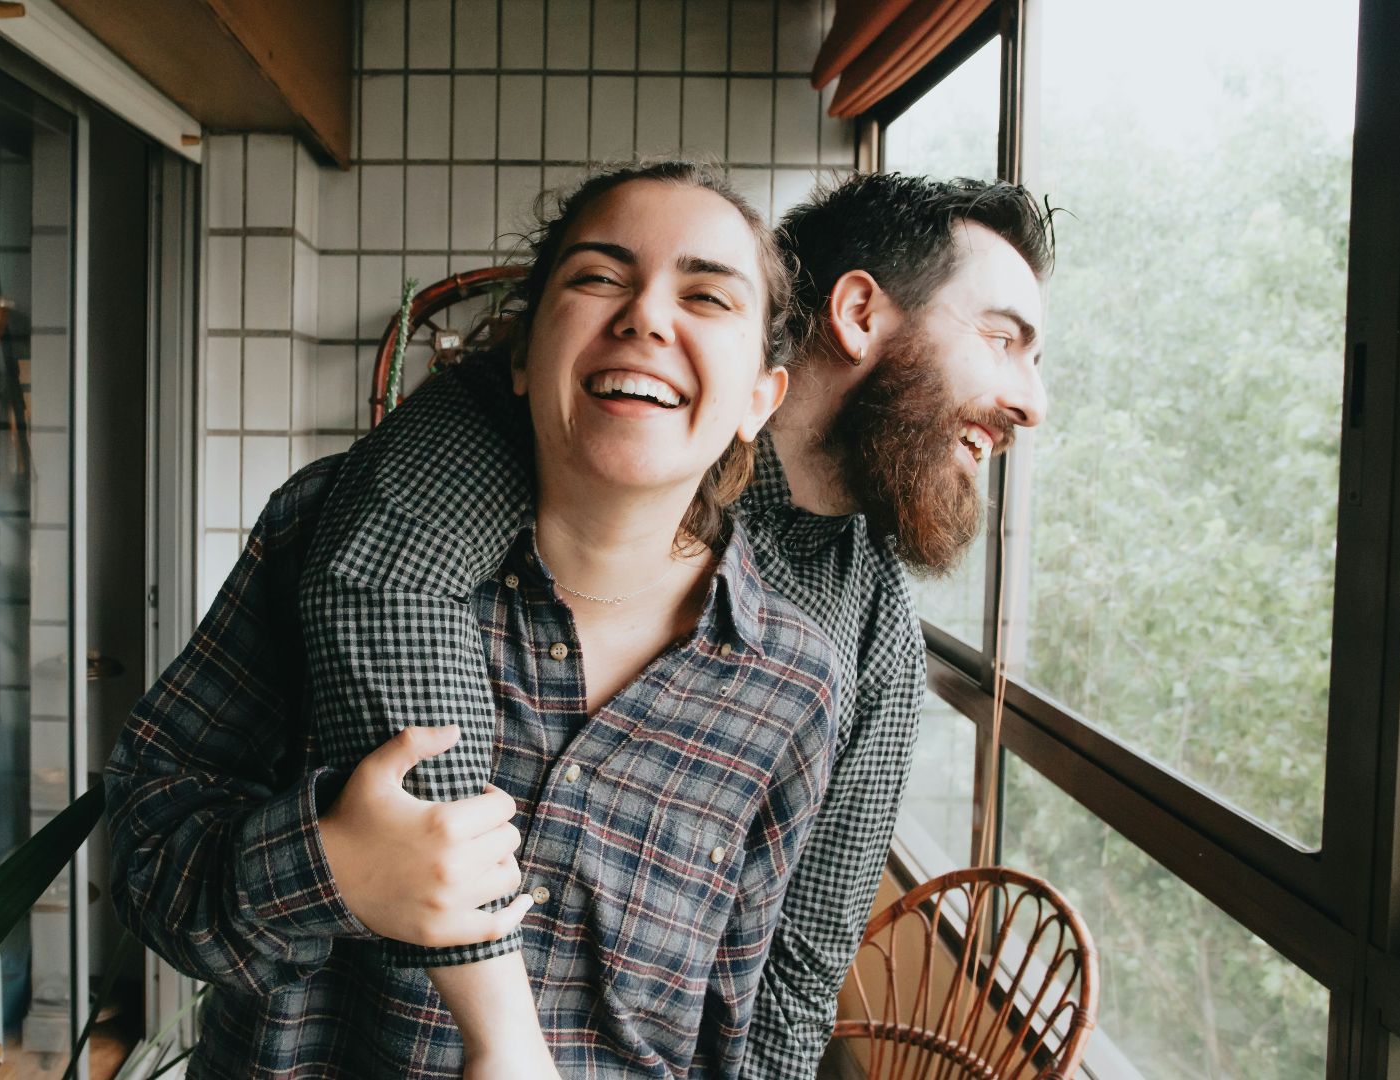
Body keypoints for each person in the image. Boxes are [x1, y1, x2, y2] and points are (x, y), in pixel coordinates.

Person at [268, 169, 1055, 1077]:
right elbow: (383, 586)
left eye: (708, 296)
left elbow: (794, 981)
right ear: (860, 314)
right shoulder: (499, 447)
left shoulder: (869, 635)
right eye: (1003, 341)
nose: (1032, 403)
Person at [107, 161, 851, 1077]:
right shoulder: (325, 536)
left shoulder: (792, 683)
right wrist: (327, 867)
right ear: (524, 357)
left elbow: (734, 1022)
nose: (647, 317)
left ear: (758, 401)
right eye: (598, 277)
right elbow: (145, 851)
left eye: (707, 296)